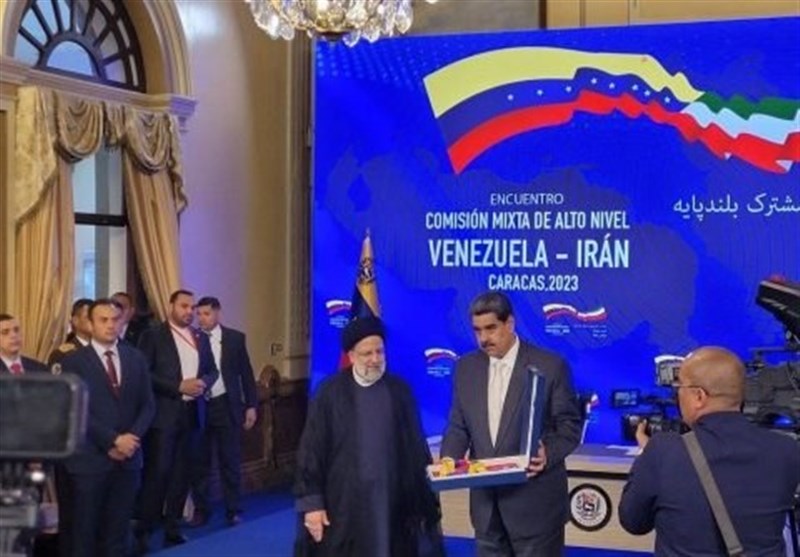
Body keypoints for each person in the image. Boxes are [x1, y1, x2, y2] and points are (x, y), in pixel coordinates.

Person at [619, 346, 800, 556]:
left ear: (699, 396)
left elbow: (634, 522)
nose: (677, 395)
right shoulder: (786, 450)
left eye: (679, 387)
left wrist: (646, 455)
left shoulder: (663, 451)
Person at [440, 291, 582, 557]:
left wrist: (547, 453)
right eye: (477, 330)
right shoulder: (465, 368)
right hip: (486, 511)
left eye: (491, 328)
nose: (484, 338)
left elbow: (569, 427)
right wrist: (448, 458)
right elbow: (459, 425)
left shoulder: (550, 366)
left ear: (510, 324)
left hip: (535, 510)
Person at [294, 316, 443, 557]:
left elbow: (415, 449)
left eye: (379, 351)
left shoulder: (400, 392)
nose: (375, 359)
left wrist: (425, 497)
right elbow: (312, 452)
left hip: (393, 502)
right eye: (367, 354)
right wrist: (312, 505)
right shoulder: (330, 394)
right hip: (343, 503)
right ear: (351, 356)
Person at [60, 299, 155, 557]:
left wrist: (131, 439)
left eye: (115, 320)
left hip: (129, 460)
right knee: (85, 533)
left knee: (118, 533)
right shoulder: (74, 362)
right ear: (90, 324)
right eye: (103, 320)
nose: (110, 325)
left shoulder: (135, 357)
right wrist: (113, 440)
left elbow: (148, 405)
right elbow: (76, 409)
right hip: (91, 461)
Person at [134, 290, 218, 552]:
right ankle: (144, 531)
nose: (189, 312)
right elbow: (144, 372)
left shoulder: (199, 337)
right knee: (158, 474)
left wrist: (204, 382)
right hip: (164, 416)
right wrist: (177, 386)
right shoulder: (153, 336)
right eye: (184, 306)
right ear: (171, 306)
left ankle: (172, 528)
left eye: (192, 307)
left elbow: (212, 370)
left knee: (182, 475)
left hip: (192, 414)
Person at [189, 296, 258, 527]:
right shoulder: (192, 338)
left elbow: (246, 374)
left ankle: (233, 509)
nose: (201, 319)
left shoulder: (235, 338)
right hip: (200, 406)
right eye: (199, 314)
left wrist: (251, 405)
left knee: (230, 460)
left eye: (206, 314)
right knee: (200, 462)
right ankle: (201, 509)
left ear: (217, 313)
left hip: (226, 405)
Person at [48, 298, 93, 367]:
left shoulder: (104, 351)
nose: (94, 321)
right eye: (89, 317)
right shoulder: (63, 355)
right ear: (75, 321)